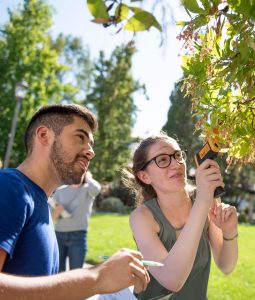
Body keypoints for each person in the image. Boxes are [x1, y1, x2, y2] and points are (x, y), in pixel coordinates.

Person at [0, 104, 149, 296]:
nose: (90, 151)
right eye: (80, 137)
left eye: (91, 144)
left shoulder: (41, 204)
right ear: (44, 135)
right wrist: (97, 277)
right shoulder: (9, 187)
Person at [123, 132, 238, 300]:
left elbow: (226, 266)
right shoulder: (142, 217)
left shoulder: (206, 199)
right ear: (144, 176)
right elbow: (172, 280)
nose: (176, 164)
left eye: (178, 155)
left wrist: (229, 232)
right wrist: (203, 201)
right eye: (162, 160)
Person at [52, 171, 101, 271]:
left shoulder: (88, 189)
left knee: (76, 272)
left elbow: (96, 189)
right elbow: (52, 217)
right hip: (59, 235)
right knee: (58, 272)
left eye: (82, 173)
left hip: (78, 235)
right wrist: (58, 211)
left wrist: (88, 177)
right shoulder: (60, 191)